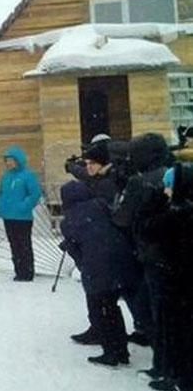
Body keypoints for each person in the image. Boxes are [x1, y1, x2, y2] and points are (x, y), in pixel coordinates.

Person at [112, 133, 172, 384]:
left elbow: (121, 218)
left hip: (153, 253)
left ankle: (167, 365)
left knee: (151, 311)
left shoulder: (141, 182)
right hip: (172, 253)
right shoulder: (172, 173)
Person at [60, 181, 135, 367]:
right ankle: (121, 351)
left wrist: (71, 248)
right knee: (111, 306)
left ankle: (111, 353)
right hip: (123, 258)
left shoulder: (68, 220)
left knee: (101, 308)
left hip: (98, 266)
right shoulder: (101, 205)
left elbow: (79, 255)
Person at [133, 164, 193, 391]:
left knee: (179, 333)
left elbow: (147, 229)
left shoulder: (178, 215)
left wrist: (151, 203)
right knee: (169, 328)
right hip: (170, 281)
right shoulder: (175, 211)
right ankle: (171, 371)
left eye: (168, 186)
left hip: (176, 286)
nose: (165, 190)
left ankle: (180, 377)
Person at [0, 146, 41, 281]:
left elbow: (35, 194)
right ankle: (18, 271)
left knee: (24, 245)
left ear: (18, 160)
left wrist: (23, 206)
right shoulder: (5, 176)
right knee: (13, 244)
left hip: (22, 217)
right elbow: (0, 193)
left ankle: (27, 272)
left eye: (11, 160)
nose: (8, 163)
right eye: (7, 160)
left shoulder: (28, 175)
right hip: (8, 216)